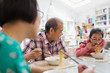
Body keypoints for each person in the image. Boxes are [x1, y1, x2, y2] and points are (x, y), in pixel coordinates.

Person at [0, 0, 53, 73]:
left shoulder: (6, 43)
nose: (40, 20)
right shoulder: (8, 47)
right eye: (38, 12)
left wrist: (38, 70)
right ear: (27, 11)